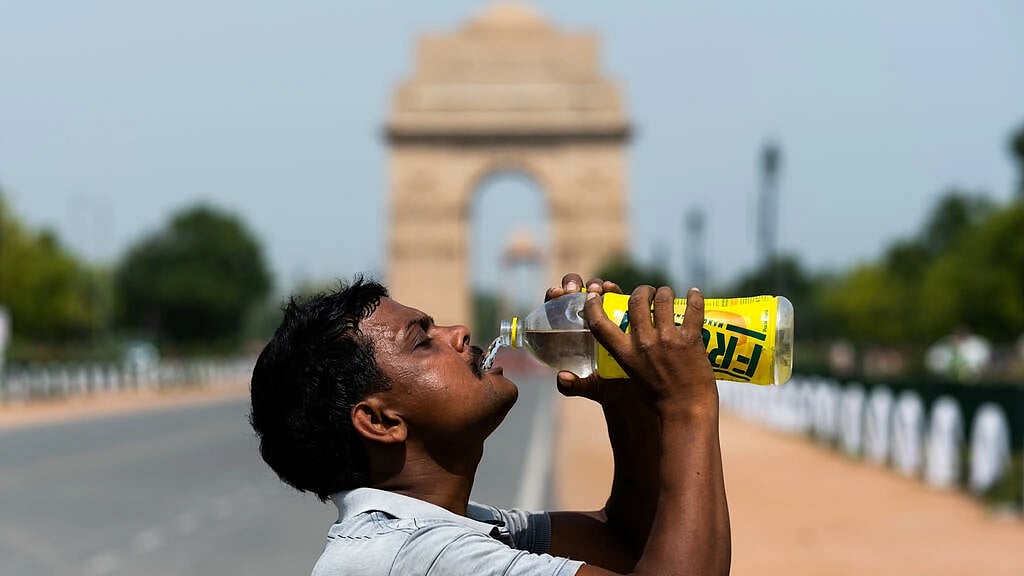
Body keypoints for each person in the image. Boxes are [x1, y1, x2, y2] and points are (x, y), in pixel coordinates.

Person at [249, 273, 731, 576]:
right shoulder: (419, 556)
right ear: (380, 420)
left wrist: (625, 403)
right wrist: (687, 408)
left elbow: (625, 544)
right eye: (423, 342)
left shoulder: (448, 527)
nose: (458, 332)